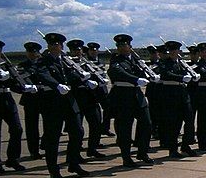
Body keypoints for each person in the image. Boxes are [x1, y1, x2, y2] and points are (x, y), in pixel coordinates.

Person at [33, 32, 92, 178]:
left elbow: (72, 75)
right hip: (52, 102)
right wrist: (56, 85)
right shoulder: (43, 61)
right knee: (53, 137)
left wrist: (84, 80)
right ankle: (53, 169)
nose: (54, 46)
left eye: (57, 44)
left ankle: (73, 163)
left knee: (77, 132)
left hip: (69, 101)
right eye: (51, 44)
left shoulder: (66, 60)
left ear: (61, 45)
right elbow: (43, 75)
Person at [107, 34, 155, 167]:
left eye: (124, 45)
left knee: (146, 124)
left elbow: (144, 73)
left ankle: (142, 152)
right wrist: (136, 79)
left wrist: (151, 76)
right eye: (119, 45)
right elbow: (118, 73)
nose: (122, 47)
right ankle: (126, 157)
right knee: (124, 129)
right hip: (123, 97)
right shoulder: (116, 60)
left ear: (130, 46)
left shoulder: (136, 60)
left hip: (137, 97)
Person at [0, 38, 34, 173]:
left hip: (7, 98)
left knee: (17, 129)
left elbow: (13, 81)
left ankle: (12, 159)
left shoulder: (5, 64)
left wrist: (23, 88)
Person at [66, 39, 105, 159]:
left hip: (90, 97)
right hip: (76, 97)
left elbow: (96, 73)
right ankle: (74, 154)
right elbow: (68, 78)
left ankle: (92, 149)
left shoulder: (86, 62)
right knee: (77, 129)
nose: (77, 51)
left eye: (79, 49)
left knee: (96, 124)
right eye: (74, 50)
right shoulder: (66, 63)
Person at [17, 41, 43, 159]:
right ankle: (34, 151)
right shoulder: (23, 65)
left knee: (51, 124)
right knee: (32, 126)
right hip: (30, 99)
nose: (32, 54)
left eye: (35, 52)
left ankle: (45, 144)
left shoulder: (43, 63)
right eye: (30, 52)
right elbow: (22, 78)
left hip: (44, 98)